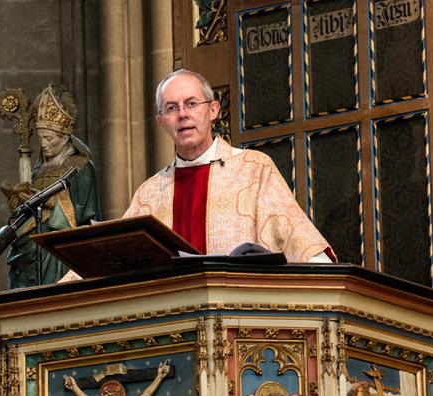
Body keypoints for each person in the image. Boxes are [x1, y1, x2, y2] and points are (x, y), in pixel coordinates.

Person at [62, 69, 333, 284]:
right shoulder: (151, 192)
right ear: (161, 121)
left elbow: (299, 239)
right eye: (171, 108)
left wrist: (330, 285)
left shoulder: (254, 170)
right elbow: (113, 257)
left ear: (213, 110)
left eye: (191, 103)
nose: (182, 114)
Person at [1, 85, 99, 287]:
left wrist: (50, 205)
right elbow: (25, 214)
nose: (43, 144)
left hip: (57, 248)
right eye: (40, 138)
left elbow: (85, 216)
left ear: (64, 137)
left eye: (49, 138)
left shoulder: (80, 168)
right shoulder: (37, 170)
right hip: (29, 245)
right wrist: (18, 203)